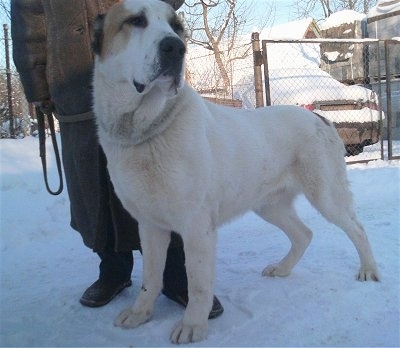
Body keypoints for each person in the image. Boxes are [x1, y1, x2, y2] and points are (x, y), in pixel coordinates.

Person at [11, 0, 223, 318]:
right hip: (74, 79)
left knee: (166, 179)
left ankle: (177, 276)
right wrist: (38, 84)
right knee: (93, 183)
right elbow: (29, 22)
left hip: (143, 68)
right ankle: (113, 271)